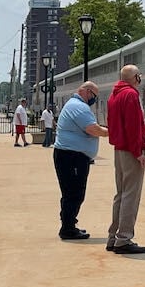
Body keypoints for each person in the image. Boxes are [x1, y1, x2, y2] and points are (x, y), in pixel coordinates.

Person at [106, 65, 145, 254]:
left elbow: (122, 123)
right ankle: (124, 239)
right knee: (131, 196)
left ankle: (113, 237)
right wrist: (139, 153)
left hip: (119, 150)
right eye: (139, 75)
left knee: (121, 194)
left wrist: (142, 124)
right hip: (130, 150)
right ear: (135, 77)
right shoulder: (131, 95)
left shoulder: (114, 95)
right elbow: (132, 128)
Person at [53, 82, 108, 240]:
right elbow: (93, 129)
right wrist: (110, 132)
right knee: (74, 193)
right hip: (72, 157)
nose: (94, 99)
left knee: (72, 192)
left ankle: (69, 225)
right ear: (86, 91)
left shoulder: (74, 105)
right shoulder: (79, 107)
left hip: (71, 156)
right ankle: (68, 228)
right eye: (94, 96)